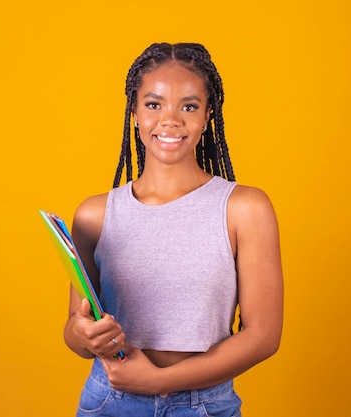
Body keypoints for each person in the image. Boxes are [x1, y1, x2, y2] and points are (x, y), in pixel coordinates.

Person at [63, 42, 283, 417]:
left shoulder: (244, 209)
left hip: (204, 405)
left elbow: (263, 336)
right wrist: (84, 336)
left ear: (208, 114)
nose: (170, 119)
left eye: (189, 106)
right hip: (110, 402)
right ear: (134, 111)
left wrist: (160, 382)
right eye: (153, 104)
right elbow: (75, 329)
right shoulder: (94, 215)